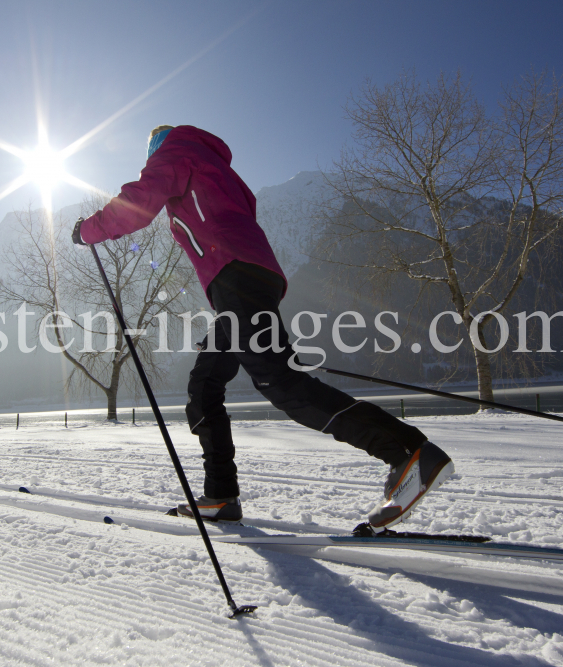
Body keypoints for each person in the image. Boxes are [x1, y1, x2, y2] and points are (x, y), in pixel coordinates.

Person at [73, 124, 454, 533]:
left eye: (150, 156)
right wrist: (227, 323)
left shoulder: (178, 149)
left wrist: (88, 230)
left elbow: (138, 201)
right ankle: (220, 495)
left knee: (282, 384)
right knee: (204, 384)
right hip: (244, 281)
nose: (150, 162)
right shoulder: (215, 167)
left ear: (156, 149)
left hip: (236, 279)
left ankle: (407, 452)